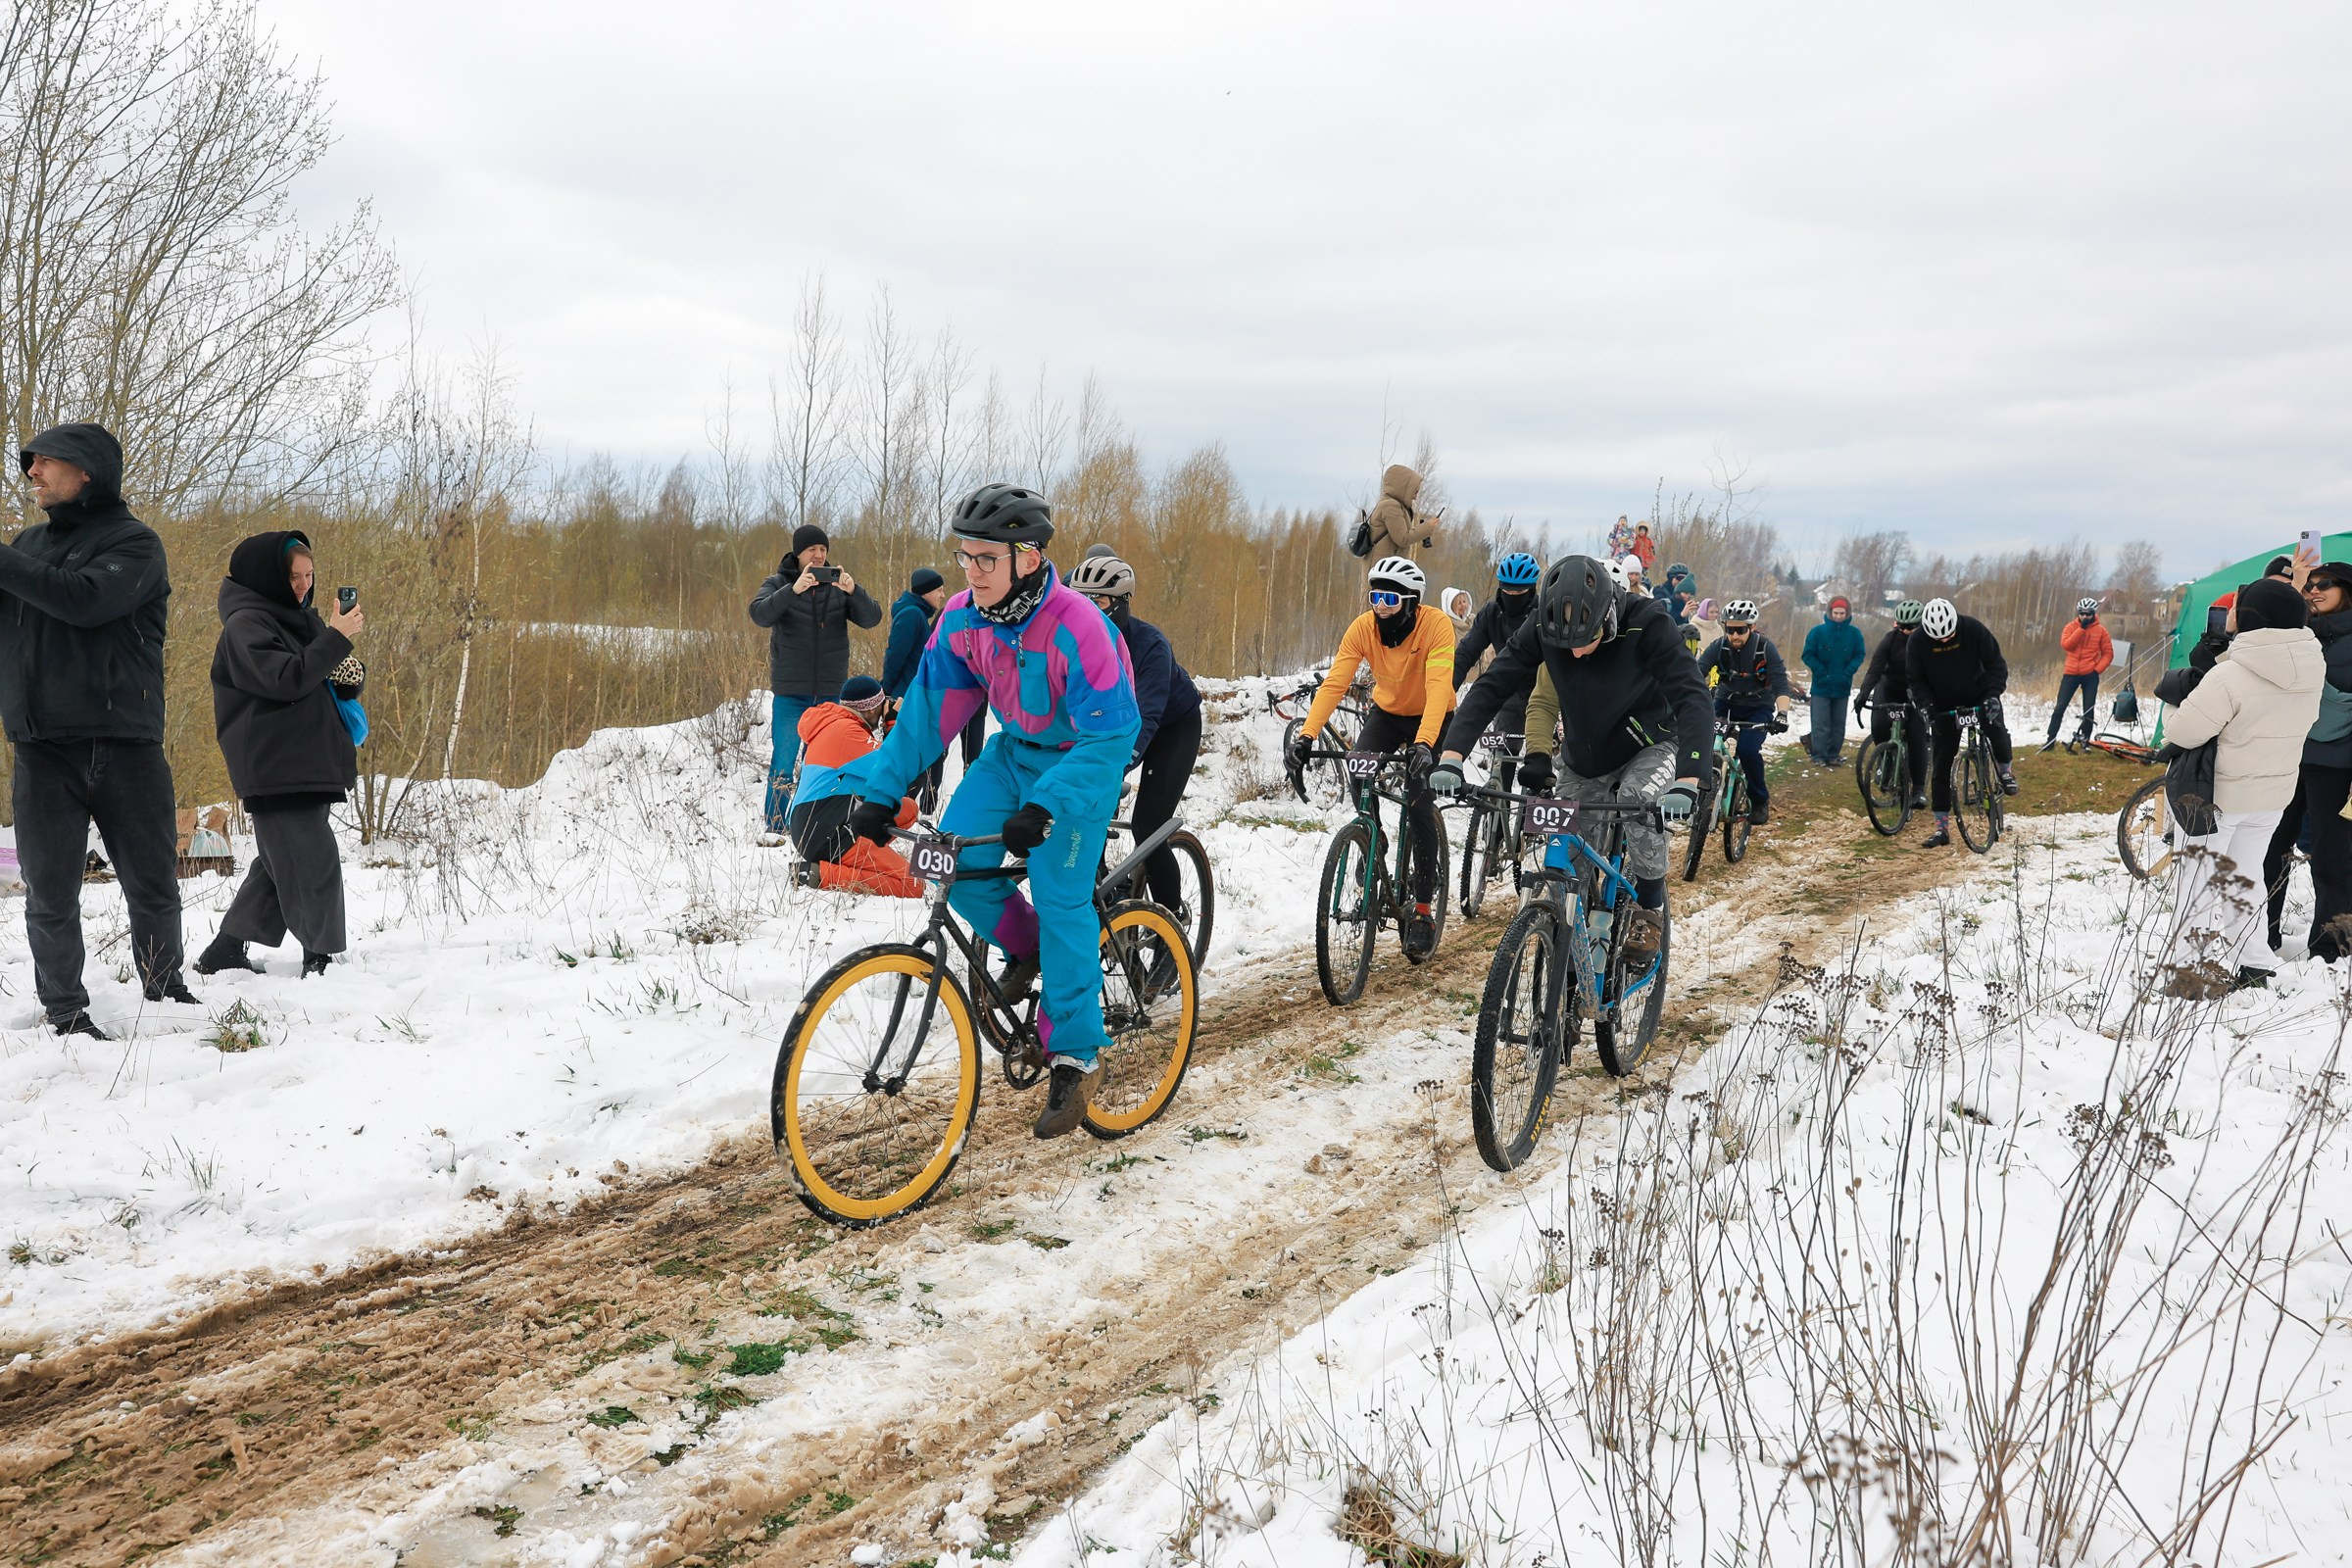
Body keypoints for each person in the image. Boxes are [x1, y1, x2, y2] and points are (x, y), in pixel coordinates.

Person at [821, 483, 1139, 1139]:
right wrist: (882, 790)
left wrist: (1048, 803)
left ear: (1027, 557)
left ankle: (1077, 1056)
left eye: (985, 559)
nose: (970, 571)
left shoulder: (1081, 626)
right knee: (949, 865)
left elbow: (1111, 736)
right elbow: (928, 714)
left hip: (1080, 765)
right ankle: (1030, 950)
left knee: (1061, 895)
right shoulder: (963, 619)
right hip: (1010, 755)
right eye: (965, 557)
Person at [1432, 556, 1711, 971]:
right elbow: (1493, 684)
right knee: (1567, 860)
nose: (1577, 652)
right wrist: (1452, 756)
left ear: (1608, 615)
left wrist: (1689, 778)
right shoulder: (1543, 626)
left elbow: (1692, 696)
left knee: (1638, 803)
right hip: (1584, 757)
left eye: (1587, 639)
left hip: (1650, 745)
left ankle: (1650, 907)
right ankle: (1567, 950)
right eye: (1567, 645)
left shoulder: (1647, 620)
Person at [4, 424, 191, 1037]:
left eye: (45, 462)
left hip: (124, 745)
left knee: (152, 883)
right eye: (29, 462)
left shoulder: (136, 545)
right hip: (41, 748)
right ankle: (65, 1011)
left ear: (87, 471)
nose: (32, 472)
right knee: (50, 896)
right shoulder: (27, 544)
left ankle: (165, 993)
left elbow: (82, 600)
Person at [195, 532, 367, 978]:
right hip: (276, 763)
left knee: (281, 860)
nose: (303, 586)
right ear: (267, 576)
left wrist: (347, 673)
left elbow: (316, 678)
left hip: (306, 760)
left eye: (309, 576)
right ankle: (321, 957)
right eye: (293, 577)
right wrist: (335, 638)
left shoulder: (297, 619)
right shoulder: (246, 625)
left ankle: (226, 949)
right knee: (310, 859)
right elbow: (285, 680)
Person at [2155, 578, 2323, 995]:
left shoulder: (2230, 676)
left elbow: (2181, 732)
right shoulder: (2311, 666)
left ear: (2252, 617)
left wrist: (2179, 694)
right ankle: (2256, 965)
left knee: (2196, 885)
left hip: (2218, 799)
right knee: (2246, 878)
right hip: (2271, 794)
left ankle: (2188, 974)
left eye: (2236, 608)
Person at [1285, 556, 1455, 957]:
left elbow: (1437, 686)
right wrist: (1307, 735)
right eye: (1374, 596)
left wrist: (1426, 745)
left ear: (1412, 602)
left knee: (1418, 802)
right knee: (1359, 771)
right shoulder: (1363, 628)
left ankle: (1424, 911)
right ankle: (1372, 845)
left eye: (1390, 600)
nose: (1379, 607)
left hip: (1432, 714)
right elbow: (1335, 684)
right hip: (1388, 714)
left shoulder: (1436, 626)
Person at [1066, 554, 1202, 919]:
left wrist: (1115, 762)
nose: (1089, 608)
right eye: (1081, 599)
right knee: (1083, 814)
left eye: (1100, 599)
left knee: (1147, 826)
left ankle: (1169, 925)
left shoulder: (1150, 646)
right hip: (1112, 731)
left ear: (1122, 603)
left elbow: (1148, 714)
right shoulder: (1071, 642)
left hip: (1171, 728)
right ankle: (1105, 899)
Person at [749, 523, 881, 832]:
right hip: (791, 692)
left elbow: (872, 618)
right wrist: (792, 590)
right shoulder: (778, 582)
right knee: (783, 763)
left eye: (823, 550)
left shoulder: (838, 587)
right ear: (799, 554)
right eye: (813, 550)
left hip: (830, 694)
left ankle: (809, 824)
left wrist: (854, 591)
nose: (819, 555)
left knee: (820, 765)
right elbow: (759, 614)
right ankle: (776, 825)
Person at [2264, 561, 2352, 961]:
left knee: (2331, 856)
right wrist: (2294, 583)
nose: (2314, 590)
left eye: (2324, 584)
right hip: (2289, 755)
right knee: (2271, 849)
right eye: (2309, 585)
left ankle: (2330, 946)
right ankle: (2260, 937)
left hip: (2336, 764)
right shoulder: (2303, 633)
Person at [786, 676, 923, 898]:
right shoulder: (846, 732)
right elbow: (897, 772)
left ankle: (863, 859)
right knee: (913, 885)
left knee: (907, 808)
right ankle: (820, 873)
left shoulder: (835, 726)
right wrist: (893, 723)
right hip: (828, 833)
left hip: (814, 825)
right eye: (881, 706)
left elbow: (894, 787)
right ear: (870, 710)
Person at [1907, 597, 2019, 848]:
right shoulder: (1916, 642)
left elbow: (1996, 666)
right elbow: (1916, 680)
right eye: (1938, 639)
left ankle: (2005, 770)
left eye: (1948, 636)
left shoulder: (1973, 629)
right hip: (1943, 704)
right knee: (1941, 763)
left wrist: (1992, 696)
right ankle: (1941, 828)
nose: (1944, 641)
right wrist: (1925, 706)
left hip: (1980, 694)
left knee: (1996, 728)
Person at [1697, 601, 1795, 825]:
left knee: (1748, 750)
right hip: (1725, 702)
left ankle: (1759, 800)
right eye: (1729, 629)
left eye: (1740, 629)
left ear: (1751, 627)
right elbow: (1696, 673)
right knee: (1704, 743)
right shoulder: (1719, 646)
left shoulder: (1765, 648)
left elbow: (1780, 684)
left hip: (1758, 707)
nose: (1734, 635)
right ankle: (1698, 791)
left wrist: (1782, 714)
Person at [1450, 552, 1543, 787]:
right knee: (1502, 765)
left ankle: (1531, 812)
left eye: (1519, 592)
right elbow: (1465, 654)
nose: (1512, 595)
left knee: (1537, 768)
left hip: (1541, 693)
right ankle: (1497, 816)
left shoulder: (1543, 613)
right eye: (1508, 590)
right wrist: (1446, 689)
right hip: (1506, 690)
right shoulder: (1491, 613)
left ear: (1531, 589)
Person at [883, 566, 950, 810]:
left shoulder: (918, 614)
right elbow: (895, 655)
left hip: (912, 695)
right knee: (911, 758)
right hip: (904, 697)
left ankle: (907, 808)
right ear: (926, 591)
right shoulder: (912, 615)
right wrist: (886, 689)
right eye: (939, 590)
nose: (942, 595)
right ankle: (897, 807)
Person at [1856, 599, 1931, 808]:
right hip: (1890, 687)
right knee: (1879, 725)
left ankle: (1918, 789)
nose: (1907, 631)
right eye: (1903, 626)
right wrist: (1863, 693)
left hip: (1916, 691)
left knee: (1917, 737)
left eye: (1912, 627)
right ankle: (1886, 759)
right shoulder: (1890, 640)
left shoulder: (1927, 643)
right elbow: (1875, 668)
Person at [1799, 596, 1866, 766]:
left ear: (1847, 613)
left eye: (1842, 613)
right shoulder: (1818, 632)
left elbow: (1860, 654)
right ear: (1830, 612)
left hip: (1842, 686)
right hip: (1821, 686)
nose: (1838, 616)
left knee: (1838, 724)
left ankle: (1833, 754)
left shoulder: (1854, 634)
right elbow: (1807, 654)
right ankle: (1819, 755)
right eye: (1835, 613)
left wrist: (1849, 672)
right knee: (1820, 723)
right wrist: (1820, 671)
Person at [2042, 597, 2114, 751]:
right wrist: (2081, 629)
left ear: (2094, 614)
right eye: (2082, 613)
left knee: (2088, 709)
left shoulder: (2101, 631)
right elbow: (2067, 645)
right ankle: (2050, 740)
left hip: (2090, 674)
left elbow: (2108, 654)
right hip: (2071, 673)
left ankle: (2085, 741)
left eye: (2088, 614)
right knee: (2060, 707)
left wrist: (2097, 670)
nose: (2084, 617)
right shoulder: (2070, 627)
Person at [1365, 465, 1434, 562]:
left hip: (1384, 568)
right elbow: (1403, 539)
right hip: (1381, 570)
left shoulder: (1394, 505)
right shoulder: (1390, 506)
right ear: (1404, 489)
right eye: (1414, 492)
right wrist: (1427, 527)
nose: (1415, 497)